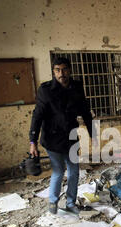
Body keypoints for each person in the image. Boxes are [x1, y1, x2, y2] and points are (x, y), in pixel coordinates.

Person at [29, 57, 93, 214]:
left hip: (71, 137)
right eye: (57, 70)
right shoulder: (45, 90)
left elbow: (84, 110)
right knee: (58, 171)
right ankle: (53, 203)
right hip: (52, 138)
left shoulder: (77, 87)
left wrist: (94, 133)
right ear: (53, 72)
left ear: (69, 70)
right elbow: (37, 116)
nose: (61, 73)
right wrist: (33, 141)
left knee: (74, 171)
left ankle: (71, 203)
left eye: (64, 69)